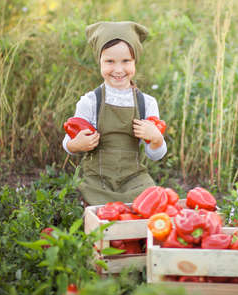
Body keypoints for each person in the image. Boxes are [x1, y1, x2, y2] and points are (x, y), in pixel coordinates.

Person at [62, 21, 166, 206]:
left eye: (126, 61)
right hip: (97, 180)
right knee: (95, 206)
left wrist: (156, 139)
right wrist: (76, 144)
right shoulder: (90, 101)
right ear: (99, 61)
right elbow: (68, 142)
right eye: (110, 61)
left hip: (134, 179)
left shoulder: (146, 103)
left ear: (135, 61)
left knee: (153, 201)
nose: (118, 69)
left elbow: (155, 155)